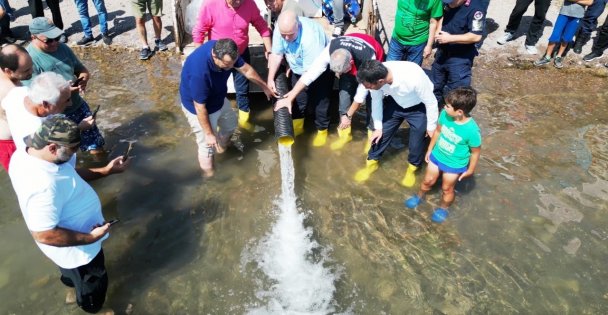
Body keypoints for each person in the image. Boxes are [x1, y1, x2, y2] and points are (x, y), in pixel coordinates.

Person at [8, 115, 124, 314]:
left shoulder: (26, 154)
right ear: (52, 148)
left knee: (71, 276)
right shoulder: (43, 185)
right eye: (71, 150)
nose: (74, 154)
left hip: (67, 252)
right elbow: (44, 234)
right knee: (93, 286)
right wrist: (90, 238)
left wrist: (106, 170)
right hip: (79, 252)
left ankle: (72, 291)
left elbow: (68, 172)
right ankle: (94, 309)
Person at [3, 72, 130, 181]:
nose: (70, 104)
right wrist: (107, 170)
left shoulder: (18, 94)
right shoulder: (40, 137)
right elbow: (67, 173)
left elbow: (3, 106)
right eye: (66, 100)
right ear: (46, 104)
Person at [180, 39, 275, 177]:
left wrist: (265, 87)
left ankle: (222, 147)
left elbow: (246, 70)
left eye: (233, 63)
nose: (231, 67)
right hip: (199, 109)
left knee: (230, 124)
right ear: (214, 56)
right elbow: (200, 107)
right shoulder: (199, 72)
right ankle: (209, 177)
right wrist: (209, 134)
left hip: (218, 98)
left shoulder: (227, 52)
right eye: (227, 65)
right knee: (206, 147)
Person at [277, 33, 384, 150]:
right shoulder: (330, 49)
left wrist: (349, 116)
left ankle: (371, 139)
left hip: (370, 65)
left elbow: (360, 95)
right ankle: (345, 136)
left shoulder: (367, 57)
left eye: (343, 72)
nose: (340, 75)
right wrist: (291, 96)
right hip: (348, 60)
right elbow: (311, 73)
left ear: (351, 63)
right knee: (344, 98)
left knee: (372, 102)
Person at [353, 60, 438, 187]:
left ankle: (412, 169)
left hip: (418, 106)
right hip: (396, 102)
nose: (367, 89)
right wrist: (378, 127)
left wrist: (431, 127)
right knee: (380, 135)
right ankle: (371, 164)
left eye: (368, 87)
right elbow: (376, 101)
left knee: (417, 142)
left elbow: (431, 102)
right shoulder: (375, 75)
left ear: (381, 81)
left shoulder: (413, 78)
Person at [26, 17, 105, 154]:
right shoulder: (29, 60)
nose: (55, 43)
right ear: (33, 37)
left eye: (56, 37)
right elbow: (33, 97)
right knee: (64, 153)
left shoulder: (62, 48)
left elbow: (82, 70)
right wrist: (65, 91)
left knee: (95, 146)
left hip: (78, 105)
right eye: (49, 40)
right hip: (56, 115)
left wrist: (83, 79)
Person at [192, 0, 272, 132]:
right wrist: (200, 59)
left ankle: (244, 121)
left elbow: (262, 27)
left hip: (240, 53)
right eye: (233, 0)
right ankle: (215, 120)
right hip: (219, 58)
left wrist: (269, 50)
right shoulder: (210, 4)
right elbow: (198, 32)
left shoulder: (249, 4)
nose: (238, 2)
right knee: (215, 90)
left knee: (242, 90)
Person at [405, 87, 481, 223]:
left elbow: (475, 152)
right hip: (438, 155)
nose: (444, 107)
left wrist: (470, 170)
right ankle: (419, 196)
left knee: (447, 188)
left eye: (447, 106)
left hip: (455, 163)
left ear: (459, 112)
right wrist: (429, 149)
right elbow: (438, 132)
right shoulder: (445, 115)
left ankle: (443, 208)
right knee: (427, 181)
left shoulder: (472, 130)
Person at [267, 11, 332, 146]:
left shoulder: (311, 38)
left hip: (319, 70)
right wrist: (270, 78)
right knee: (298, 101)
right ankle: (297, 127)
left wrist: (289, 97)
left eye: (289, 35)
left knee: (320, 102)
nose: (285, 38)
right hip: (298, 67)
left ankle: (322, 130)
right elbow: (277, 54)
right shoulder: (283, 29)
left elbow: (310, 73)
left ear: (298, 26)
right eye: (282, 34)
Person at [430, 0, 485, 106]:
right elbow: (442, 17)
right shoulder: (446, 4)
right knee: (435, 85)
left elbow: (476, 36)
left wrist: (449, 38)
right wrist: (438, 32)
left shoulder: (476, 10)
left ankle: (452, 116)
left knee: (457, 93)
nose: (449, 4)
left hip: (460, 58)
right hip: (442, 53)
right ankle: (433, 109)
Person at [533, 0, 594, 69]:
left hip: (577, 16)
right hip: (564, 13)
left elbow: (590, 2)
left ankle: (559, 56)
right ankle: (547, 57)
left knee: (567, 37)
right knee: (555, 35)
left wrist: (576, 1)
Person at [0, 44, 33, 171]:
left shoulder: (3, 71)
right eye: (26, 71)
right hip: (11, 145)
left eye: (31, 67)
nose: (31, 72)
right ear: (8, 71)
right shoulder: (11, 92)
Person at [386, 0, 443, 65]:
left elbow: (433, 22)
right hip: (397, 40)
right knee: (390, 68)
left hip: (418, 43)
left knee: (412, 72)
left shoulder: (434, 1)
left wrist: (429, 46)